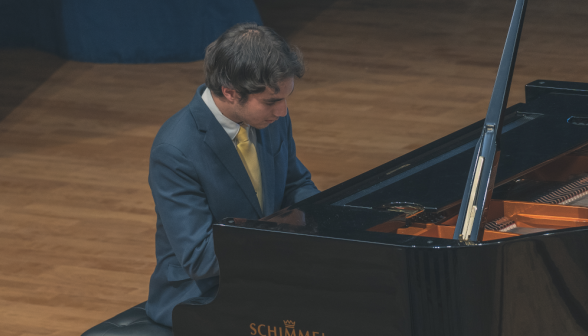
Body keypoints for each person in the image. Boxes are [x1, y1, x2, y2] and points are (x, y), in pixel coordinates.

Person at [145, 23, 320, 327]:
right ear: (230, 92)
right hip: (202, 294)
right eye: (271, 101)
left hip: (265, 273)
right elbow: (200, 257)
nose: (282, 111)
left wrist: (327, 224)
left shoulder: (272, 118)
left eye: (285, 98)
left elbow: (295, 183)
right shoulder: (175, 150)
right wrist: (284, 240)